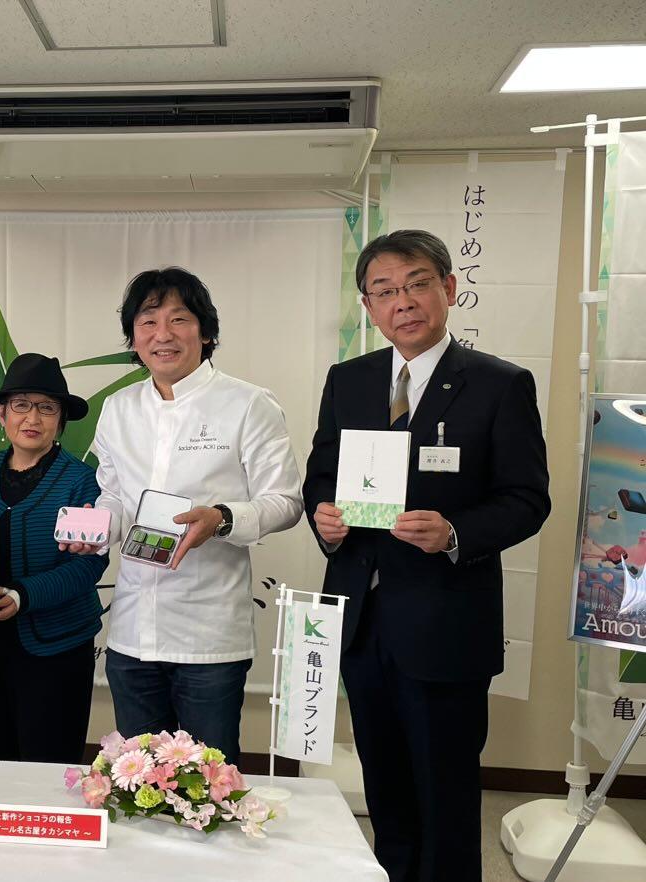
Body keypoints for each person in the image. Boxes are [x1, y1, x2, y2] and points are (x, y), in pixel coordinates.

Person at [302, 230, 550, 882]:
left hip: (446, 624)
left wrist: (455, 532)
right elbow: (321, 476)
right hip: (361, 620)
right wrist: (325, 519)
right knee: (384, 790)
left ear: (448, 288)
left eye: (416, 284)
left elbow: (527, 499)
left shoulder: (498, 384)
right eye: (384, 291)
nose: (402, 302)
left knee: (445, 797)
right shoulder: (349, 380)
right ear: (368, 306)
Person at [68, 267, 303, 764]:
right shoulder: (118, 408)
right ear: (134, 338)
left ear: (206, 331)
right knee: (136, 779)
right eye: (148, 322)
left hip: (209, 638)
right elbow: (115, 497)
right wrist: (97, 529)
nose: (163, 334)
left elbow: (285, 501)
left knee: (208, 785)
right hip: (132, 635)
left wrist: (221, 518)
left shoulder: (248, 404)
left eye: (179, 319)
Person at [0, 353, 109, 763]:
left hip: (57, 647)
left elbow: (89, 564)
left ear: (61, 420)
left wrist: (22, 595)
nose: (33, 418)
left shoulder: (82, 480)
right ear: (2, 413)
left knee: (49, 764)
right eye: (21, 405)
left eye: (47, 408)